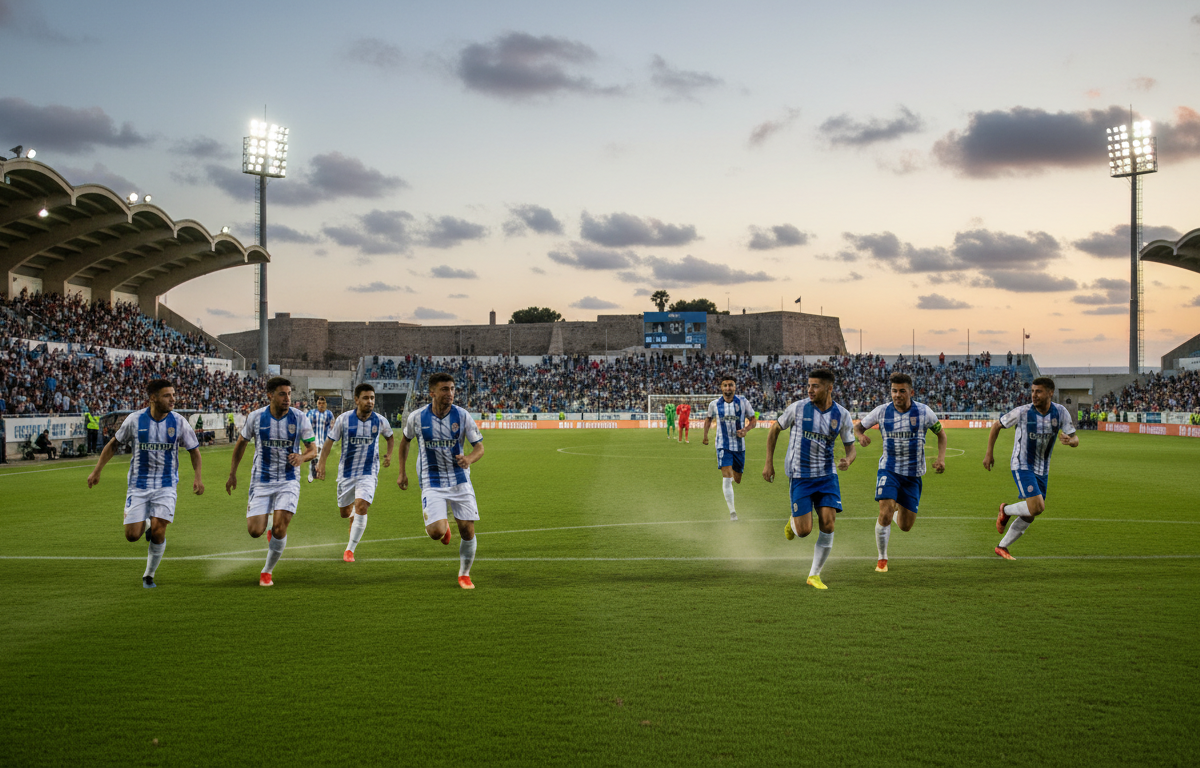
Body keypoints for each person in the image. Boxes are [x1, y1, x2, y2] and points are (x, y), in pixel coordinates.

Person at [86, 379, 204, 588]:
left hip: (166, 485)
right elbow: (113, 445)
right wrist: (97, 471)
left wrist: (197, 477)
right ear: (153, 398)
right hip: (138, 485)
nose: (173, 399)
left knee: (160, 530)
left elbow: (194, 450)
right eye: (167, 395)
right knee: (132, 536)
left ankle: (148, 575)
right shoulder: (134, 420)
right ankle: (146, 523)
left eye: (173, 395)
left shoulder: (178, 422)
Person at [763, 369, 856, 590]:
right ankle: (794, 522)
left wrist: (848, 461)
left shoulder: (842, 415)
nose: (810, 390)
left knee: (828, 523)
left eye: (815, 386)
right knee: (804, 531)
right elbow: (775, 429)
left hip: (826, 476)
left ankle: (814, 575)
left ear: (829, 388)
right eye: (809, 385)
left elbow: (851, 448)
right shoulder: (798, 408)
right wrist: (769, 462)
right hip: (800, 476)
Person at [226, 377, 318, 586]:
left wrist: (302, 457)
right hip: (261, 480)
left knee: (280, 527)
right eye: (282, 394)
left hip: (288, 480)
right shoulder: (256, 418)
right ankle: (267, 522)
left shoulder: (299, 418)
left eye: (289, 394)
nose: (287, 398)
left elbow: (313, 449)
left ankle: (267, 571)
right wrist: (233, 473)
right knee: (254, 531)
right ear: (270, 395)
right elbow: (241, 444)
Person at [397, 372, 485, 589]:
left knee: (467, 530)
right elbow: (405, 442)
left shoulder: (462, 415)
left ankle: (464, 574)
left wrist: (469, 459)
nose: (450, 393)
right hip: (431, 479)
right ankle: (444, 528)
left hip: (459, 479)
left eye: (453, 389)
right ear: (432, 392)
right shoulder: (416, 417)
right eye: (445, 389)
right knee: (435, 533)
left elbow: (479, 447)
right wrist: (402, 472)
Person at [853, 372, 946, 573]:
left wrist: (940, 458)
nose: (897, 395)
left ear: (911, 392)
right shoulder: (881, 412)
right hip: (889, 469)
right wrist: (860, 436)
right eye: (894, 391)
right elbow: (858, 428)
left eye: (902, 391)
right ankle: (882, 559)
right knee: (884, 512)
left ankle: (897, 509)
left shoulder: (924, 412)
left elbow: (941, 435)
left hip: (913, 475)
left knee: (905, 526)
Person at [983, 376, 1079, 560]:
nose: (1034, 395)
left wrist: (1070, 441)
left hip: (1043, 468)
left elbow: (1076, 438)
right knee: (1036, 506)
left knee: (1032, 513)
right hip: (1022, 464)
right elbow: (997, 426)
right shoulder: (1023, 412)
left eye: (1039, 391)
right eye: (1033, 391)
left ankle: (1002, 546)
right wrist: (989, 453)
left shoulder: (1060, 412)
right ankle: (1006, 510)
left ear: (1050, 393)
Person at [316, 384, 394, 562]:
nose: (370, 401)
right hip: (347, 473)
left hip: (368, 472)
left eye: (372, 398)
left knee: (362, 505)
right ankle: (352, 516)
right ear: (357, 400)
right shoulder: (344, 419)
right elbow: (329, 442)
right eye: (366, 398)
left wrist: (389, 455)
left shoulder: (380, 420)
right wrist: (321, 463)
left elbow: (390, 437)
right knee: (345, 512)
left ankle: (349, 550)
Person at [701, 375, 757, 521]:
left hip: (739, 446)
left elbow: (753, 420)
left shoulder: (743, 401)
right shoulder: (714, 404)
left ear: (735, 387)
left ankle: (731, 478)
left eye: (730, 385)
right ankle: (733, 512)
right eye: (725, 385)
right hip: (723, 445)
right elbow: (708, 419)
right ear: (721, 387)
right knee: (726, 476)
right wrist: (705, 436)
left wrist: (746, 429)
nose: (728, 388)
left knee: (737, 479)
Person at [306, 396, 335, 484]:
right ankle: (311, 474)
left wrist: (331, 435)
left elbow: (333, 425)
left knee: (320, 458)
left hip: (325, 440)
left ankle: (317, 472)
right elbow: (306, 424)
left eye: (323, 404)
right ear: (317, 404)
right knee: (314, 456)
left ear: (326, 404)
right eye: (319, 403)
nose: (321, 405)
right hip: (314, 440)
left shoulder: (329, 414)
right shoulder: (312, 413)